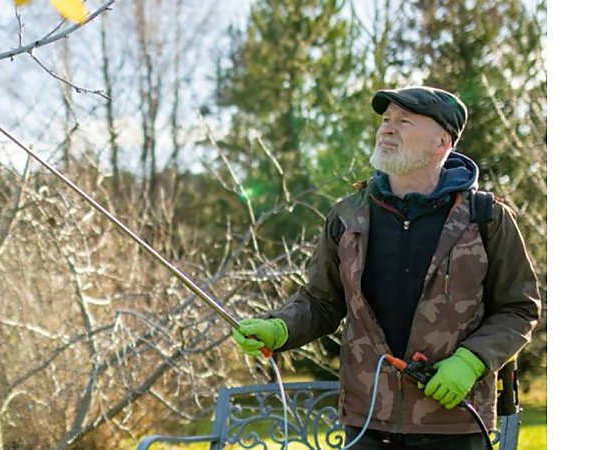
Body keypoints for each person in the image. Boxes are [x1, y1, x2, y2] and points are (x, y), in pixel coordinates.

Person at [231, 86, 542, 449]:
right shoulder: (348, 216)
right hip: (367, 425)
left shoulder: (487, 219)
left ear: (443, 143)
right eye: (386, 119)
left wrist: (472, 361)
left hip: (454, 422)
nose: (387, 129)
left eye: (405, 121)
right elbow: (321, 302)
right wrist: (280, 327)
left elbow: (519, 308)